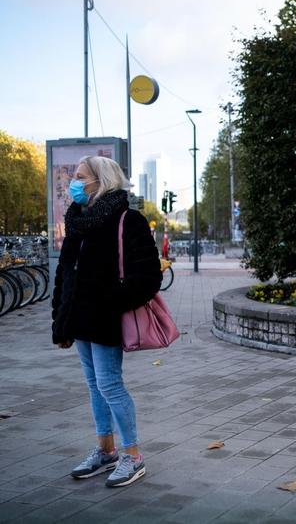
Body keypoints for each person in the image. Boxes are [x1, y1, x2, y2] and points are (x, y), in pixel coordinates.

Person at [52, 156, 161, 488]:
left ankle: (133, 455)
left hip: (105, 318)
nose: (75, 183)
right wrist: (60, 319)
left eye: (81, 177)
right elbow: (64, 274)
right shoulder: (78, 220)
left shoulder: (128, 220)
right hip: (80, 320)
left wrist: (110, 301)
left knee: (110, 385)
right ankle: (106, 450)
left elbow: (148, 276)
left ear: (101, 181)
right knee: (94, 385)